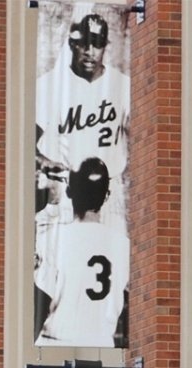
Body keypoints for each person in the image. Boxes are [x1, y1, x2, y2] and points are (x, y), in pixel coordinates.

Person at [35, 9, 130, 223]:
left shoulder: (122, 85)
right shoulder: (51, 84)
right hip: (66, 187)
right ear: (72, 44)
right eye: (83, 43)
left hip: (109, 191)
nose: (89, 51)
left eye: (96, 44)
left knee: (111, 253)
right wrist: (44, 161)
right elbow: (26, 143)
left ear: (105, 46)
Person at [34, 156, 129, 347]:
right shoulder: (124, 245)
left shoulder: (52, 237)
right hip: (101, 342)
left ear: (70, 192)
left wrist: (51, 200)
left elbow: (40, 296)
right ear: (107, 195)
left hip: (56, 340)